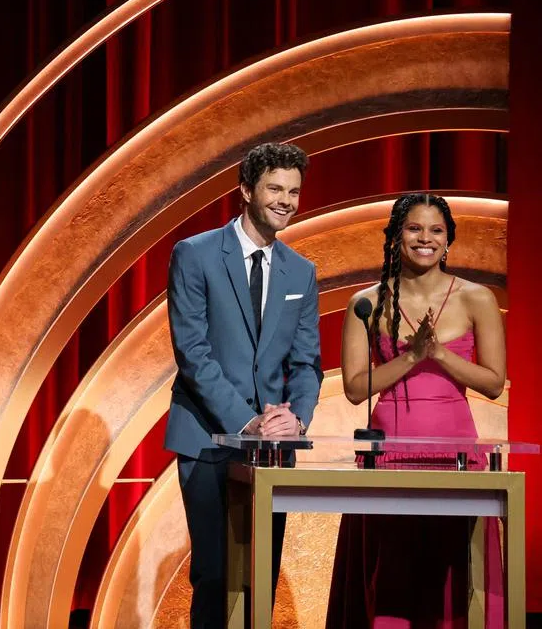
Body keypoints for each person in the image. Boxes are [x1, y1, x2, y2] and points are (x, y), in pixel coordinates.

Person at [326, 193, 506, 627]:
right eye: (414, 228)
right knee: (388, 573)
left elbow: (493, 383)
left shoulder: (475, 298)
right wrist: (409, 358)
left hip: (455, 453)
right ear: (394, 236)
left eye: (436, 230)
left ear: (449, 241)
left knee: (452, 572)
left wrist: (439, 355)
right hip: (387, 452)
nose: (425, 238)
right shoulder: (366, 302)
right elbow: (353, 388)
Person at [165, 141, 322, 628]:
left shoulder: (301, 270)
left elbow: (307, 362)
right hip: (207, 438)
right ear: (246, 190)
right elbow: (194, 354)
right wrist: (248, 420)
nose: (286, 200)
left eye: (294, 191)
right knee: (214, 577)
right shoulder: (195, 254)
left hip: (271, 451)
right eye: (275, 188)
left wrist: (293, 418)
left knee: (260, 579)